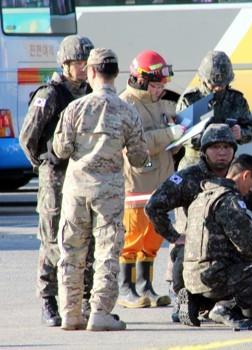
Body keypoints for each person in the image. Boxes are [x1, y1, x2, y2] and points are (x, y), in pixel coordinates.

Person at [145, 123, 252, 323]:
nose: (222, 153)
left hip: (231, 251)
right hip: (196, 250)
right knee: (183, 254)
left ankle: (210, 304)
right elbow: (153, 206)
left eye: (227, 147)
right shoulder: (188, 177)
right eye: (215, 147)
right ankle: (188, 299)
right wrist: (174, 236)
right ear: (204, 150)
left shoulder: (242, 175)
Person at [53, 48, 149, 331]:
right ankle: (100, 313)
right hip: (108, 192)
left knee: (71, 251)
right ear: (116, 74)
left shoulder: (75, 108)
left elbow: (61, 149)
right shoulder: (127, 110)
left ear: (92, 72)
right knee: (106, 251)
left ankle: (70, 313)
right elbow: (139, 157)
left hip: (76, 189)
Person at [19, 34, 94, 327]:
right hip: (56, 177)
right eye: (79, 62)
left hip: (82, 175)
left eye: (88, 62)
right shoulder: (49, 94)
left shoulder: (89, 92)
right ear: (65, 64)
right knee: (51, 239)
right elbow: (28, 138)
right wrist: (45, 163)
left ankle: (81, 298)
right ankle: (48, 300)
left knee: (83, 235)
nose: (85, 67)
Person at [178, 154, 252, 329]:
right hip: (214, 276)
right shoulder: (230, 201)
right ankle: (225, 308)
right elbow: (249, 248)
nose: (251, 190)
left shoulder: (204, 196)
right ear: (245, 176)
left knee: (234, 263)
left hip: (191, 275)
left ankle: (198, 300)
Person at [118, 50, 184, 309]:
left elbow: (168, 142)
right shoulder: (125, 104)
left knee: (153, 237)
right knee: (132, 238)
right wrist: (169, 133)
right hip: (136, 185)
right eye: (156, 85)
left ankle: (146, 286)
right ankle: (126, 289)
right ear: (142, 80)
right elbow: (136, 145)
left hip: (160, 183)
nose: (160, 90)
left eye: (162, 85)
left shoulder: (162, 103)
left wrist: (179, 136)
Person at [176, 50, 252, 170]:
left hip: (226, 166)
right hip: (194, 166)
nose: (218, 88)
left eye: (223, 84)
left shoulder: (236, 100)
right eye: (213, 84)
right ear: (204, 80)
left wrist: (241, 134)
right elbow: (180, 135)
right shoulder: (191, 100)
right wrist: (211, 139)